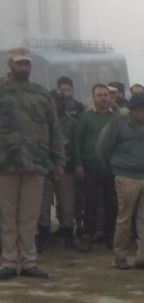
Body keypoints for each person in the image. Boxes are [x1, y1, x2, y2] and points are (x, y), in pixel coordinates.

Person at [0, 48, 64, 280]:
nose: (24, 67)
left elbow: (54, 128)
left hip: (36, 162)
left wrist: (58, 160)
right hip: (5, 162)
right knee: (7, 217)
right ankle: (8, 261)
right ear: (10, 64)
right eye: (19, 63)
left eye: (27, 63)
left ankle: (28, 261)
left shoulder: (41, 94)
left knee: (29, 217)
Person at [98, 92, 144, 270]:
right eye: (141, 110)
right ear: (133, 111)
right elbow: (104, 147)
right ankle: (120, 256)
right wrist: (113, 167)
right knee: (125, 219)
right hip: (125, 176)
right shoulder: (118, 124)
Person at [75, 83, 117, 252]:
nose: (103, 98)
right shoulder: (86, 117)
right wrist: (78, 164)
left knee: (112, 204)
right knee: (90, 203)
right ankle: (87, 237)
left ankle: (111, 236)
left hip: (111, 168)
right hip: (90, 167)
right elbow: (77, 142)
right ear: (93, 97)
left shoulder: (115, 118)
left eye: (105, 95)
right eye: (99, 95)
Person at [40, 90, 78, 249]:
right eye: (55, 101)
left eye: (61, 101)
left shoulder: (71, 122)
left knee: (67, 205)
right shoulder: (41, 122)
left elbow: (75, 146)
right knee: (43, 204)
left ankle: (68, 234)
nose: (58, 104)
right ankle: (43, 236)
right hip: (45, 168)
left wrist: (75, 165)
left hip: (66, 168)